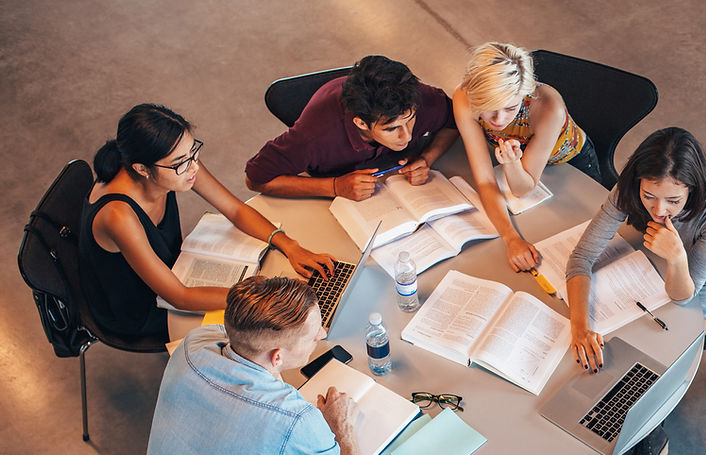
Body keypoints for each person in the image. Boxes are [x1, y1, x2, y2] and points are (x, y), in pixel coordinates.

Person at [142, 276, 391, 455]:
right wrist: (340, 429)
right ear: (277, 358)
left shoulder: (194, 344)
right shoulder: (294, 421)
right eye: (314, 333)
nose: (321, 334)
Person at [565, 127, 706, 455]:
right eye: (649, 197)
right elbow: (581, 258)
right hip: (646, 271)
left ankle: (649, 433)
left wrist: (675, 256)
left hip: (702, 293)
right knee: (603, 336)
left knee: (648, 352)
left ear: (693, 188)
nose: (659, 211)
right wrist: (580, 326)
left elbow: (683, 296)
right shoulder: (628, 192)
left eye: (674, 201)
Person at [80, 103, 336, 343]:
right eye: (181, 163)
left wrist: (289, 245)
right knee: (260, 332)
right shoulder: (118, 216)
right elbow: (177, 297)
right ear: (142, 169)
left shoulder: (176, 160)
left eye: (193, 152)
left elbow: (235, 210)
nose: (193, 168)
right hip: (140, 306)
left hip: (173, 269)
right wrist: (264, 293)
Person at [453, 42, 601, 272]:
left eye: (511, 108)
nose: (499, 120)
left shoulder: (548, 107)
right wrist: (510, 238)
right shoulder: (464, 98)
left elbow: (522, 188)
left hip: (570, 163)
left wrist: (512, 164)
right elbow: (485, 180)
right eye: (489, 108)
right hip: (518, 160)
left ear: (525, 92)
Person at [245, 55, 459, 200]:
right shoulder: (314, 135)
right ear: (361, 123)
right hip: (339, 191)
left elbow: (454, 122)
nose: (407, 135)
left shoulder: (417, 98)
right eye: (391, 129)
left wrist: (426, 158)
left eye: (410, 119)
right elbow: (256, 179)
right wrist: (335, 187)